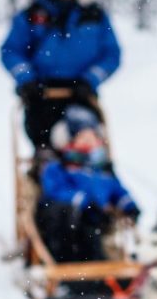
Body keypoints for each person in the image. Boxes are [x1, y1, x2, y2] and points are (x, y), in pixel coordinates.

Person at [0, 0, 121, 149]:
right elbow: (11, 50)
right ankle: (50, 166)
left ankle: (86, 167)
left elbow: (111, 54)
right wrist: (26, 78)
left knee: (86, 136)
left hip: (81, 92)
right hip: (41, 92)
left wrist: (90, 79)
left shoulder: (95, 16)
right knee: (46, 138)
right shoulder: (33, 14)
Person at [36, 106, 139, 263]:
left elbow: (117, 190)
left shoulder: (103, 170)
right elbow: (54, 191)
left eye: (92, 136)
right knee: (70, 220)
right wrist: (83, 202)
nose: (89, 141)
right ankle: (68, 266)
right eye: (82, 137)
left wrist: (129, 206)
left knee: (101, 233)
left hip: (99, 220)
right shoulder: (58, 167)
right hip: (69, 220)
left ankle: (104, 267)